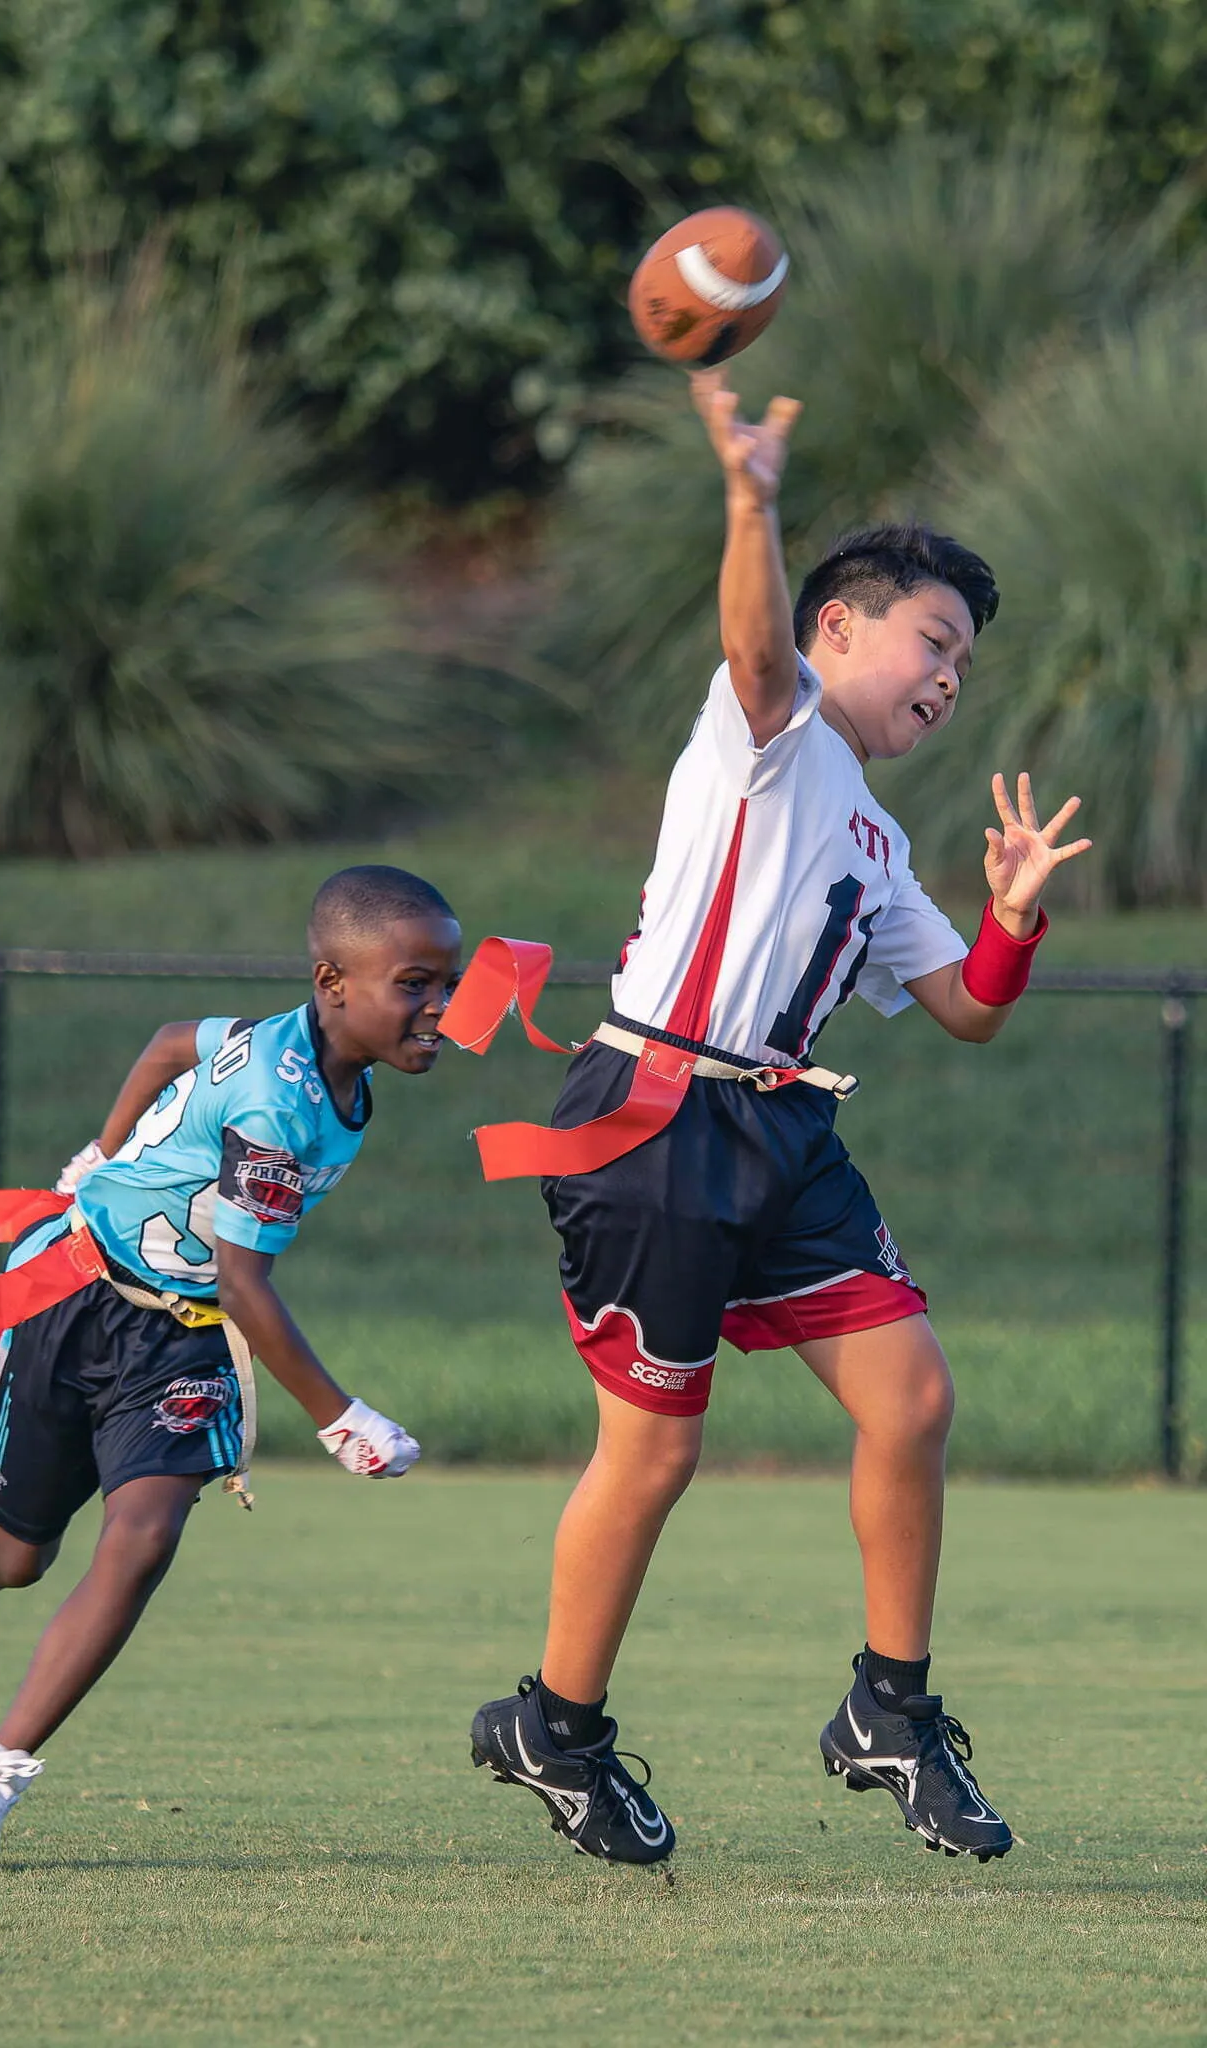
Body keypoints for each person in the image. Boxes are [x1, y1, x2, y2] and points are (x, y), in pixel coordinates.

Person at [466, 371, 1091, 1865]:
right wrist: (750, 496)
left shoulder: (878, 833)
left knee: (913, 1400)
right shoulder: (776, 726)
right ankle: (556, 1723)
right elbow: (752, 641)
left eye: (965, 664)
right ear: (838, 632)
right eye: (934, 640)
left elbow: (969, 1007)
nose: (949, 678)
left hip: (783, 1136)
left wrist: (1011, 917)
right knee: (653, 1457)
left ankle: (890, 1709)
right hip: (654, 1115)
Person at [0, 865, 461, 1868]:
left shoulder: (313, 1053)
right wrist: (341, 1416)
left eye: (447, 983)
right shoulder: (280, 1102)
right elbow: (247, 1280)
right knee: (19, 1555)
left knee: (144, 1537)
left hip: (182, 1339)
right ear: (333, 983)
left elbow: (171, 1041)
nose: (441, 1007)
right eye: (415, 984)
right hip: (71, 1297)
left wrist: (105, 1144)